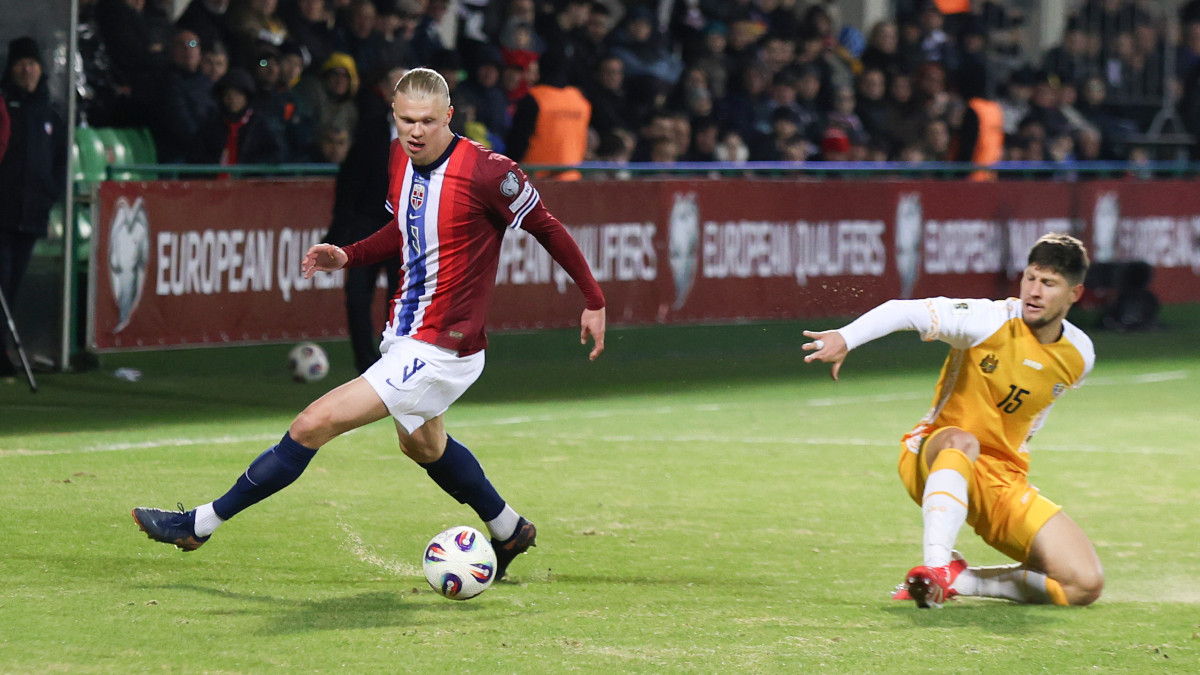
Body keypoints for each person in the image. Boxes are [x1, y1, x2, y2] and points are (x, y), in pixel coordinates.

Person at [132, 68, 607, 582]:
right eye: (406, 120)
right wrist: (349, 255)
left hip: (444, 347)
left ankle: (199, 523)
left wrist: (593, 298)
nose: (416, 131)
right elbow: (403, 230)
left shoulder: (489, 173)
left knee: (312, 423)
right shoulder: (399, 157)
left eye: (427, 121)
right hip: (406, 331)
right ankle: (509, 529)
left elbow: (548, 228)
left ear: (449, 116)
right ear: (394, 118)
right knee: (422, 445)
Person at [802, 233, 1103, 608]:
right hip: (933, 451)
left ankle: (962, 580)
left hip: (999, 478)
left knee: (1083, 584)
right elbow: (903, 310)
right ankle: (937, 566)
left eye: (1049, 283)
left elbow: (1030, 414)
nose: (1034, 291)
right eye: (1030, 278)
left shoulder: (1079, 356)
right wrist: (847, 337)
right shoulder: (987, 320)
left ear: (1074, 293)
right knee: (963, 441)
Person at [0, 36, 66, 380]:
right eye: (22, 63)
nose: (28, 70)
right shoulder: (3, 105)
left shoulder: (51, 112)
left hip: (32, 215)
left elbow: (58, 161)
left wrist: (48, 194)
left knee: (11, 287)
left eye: (33, 63)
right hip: (3, 211)